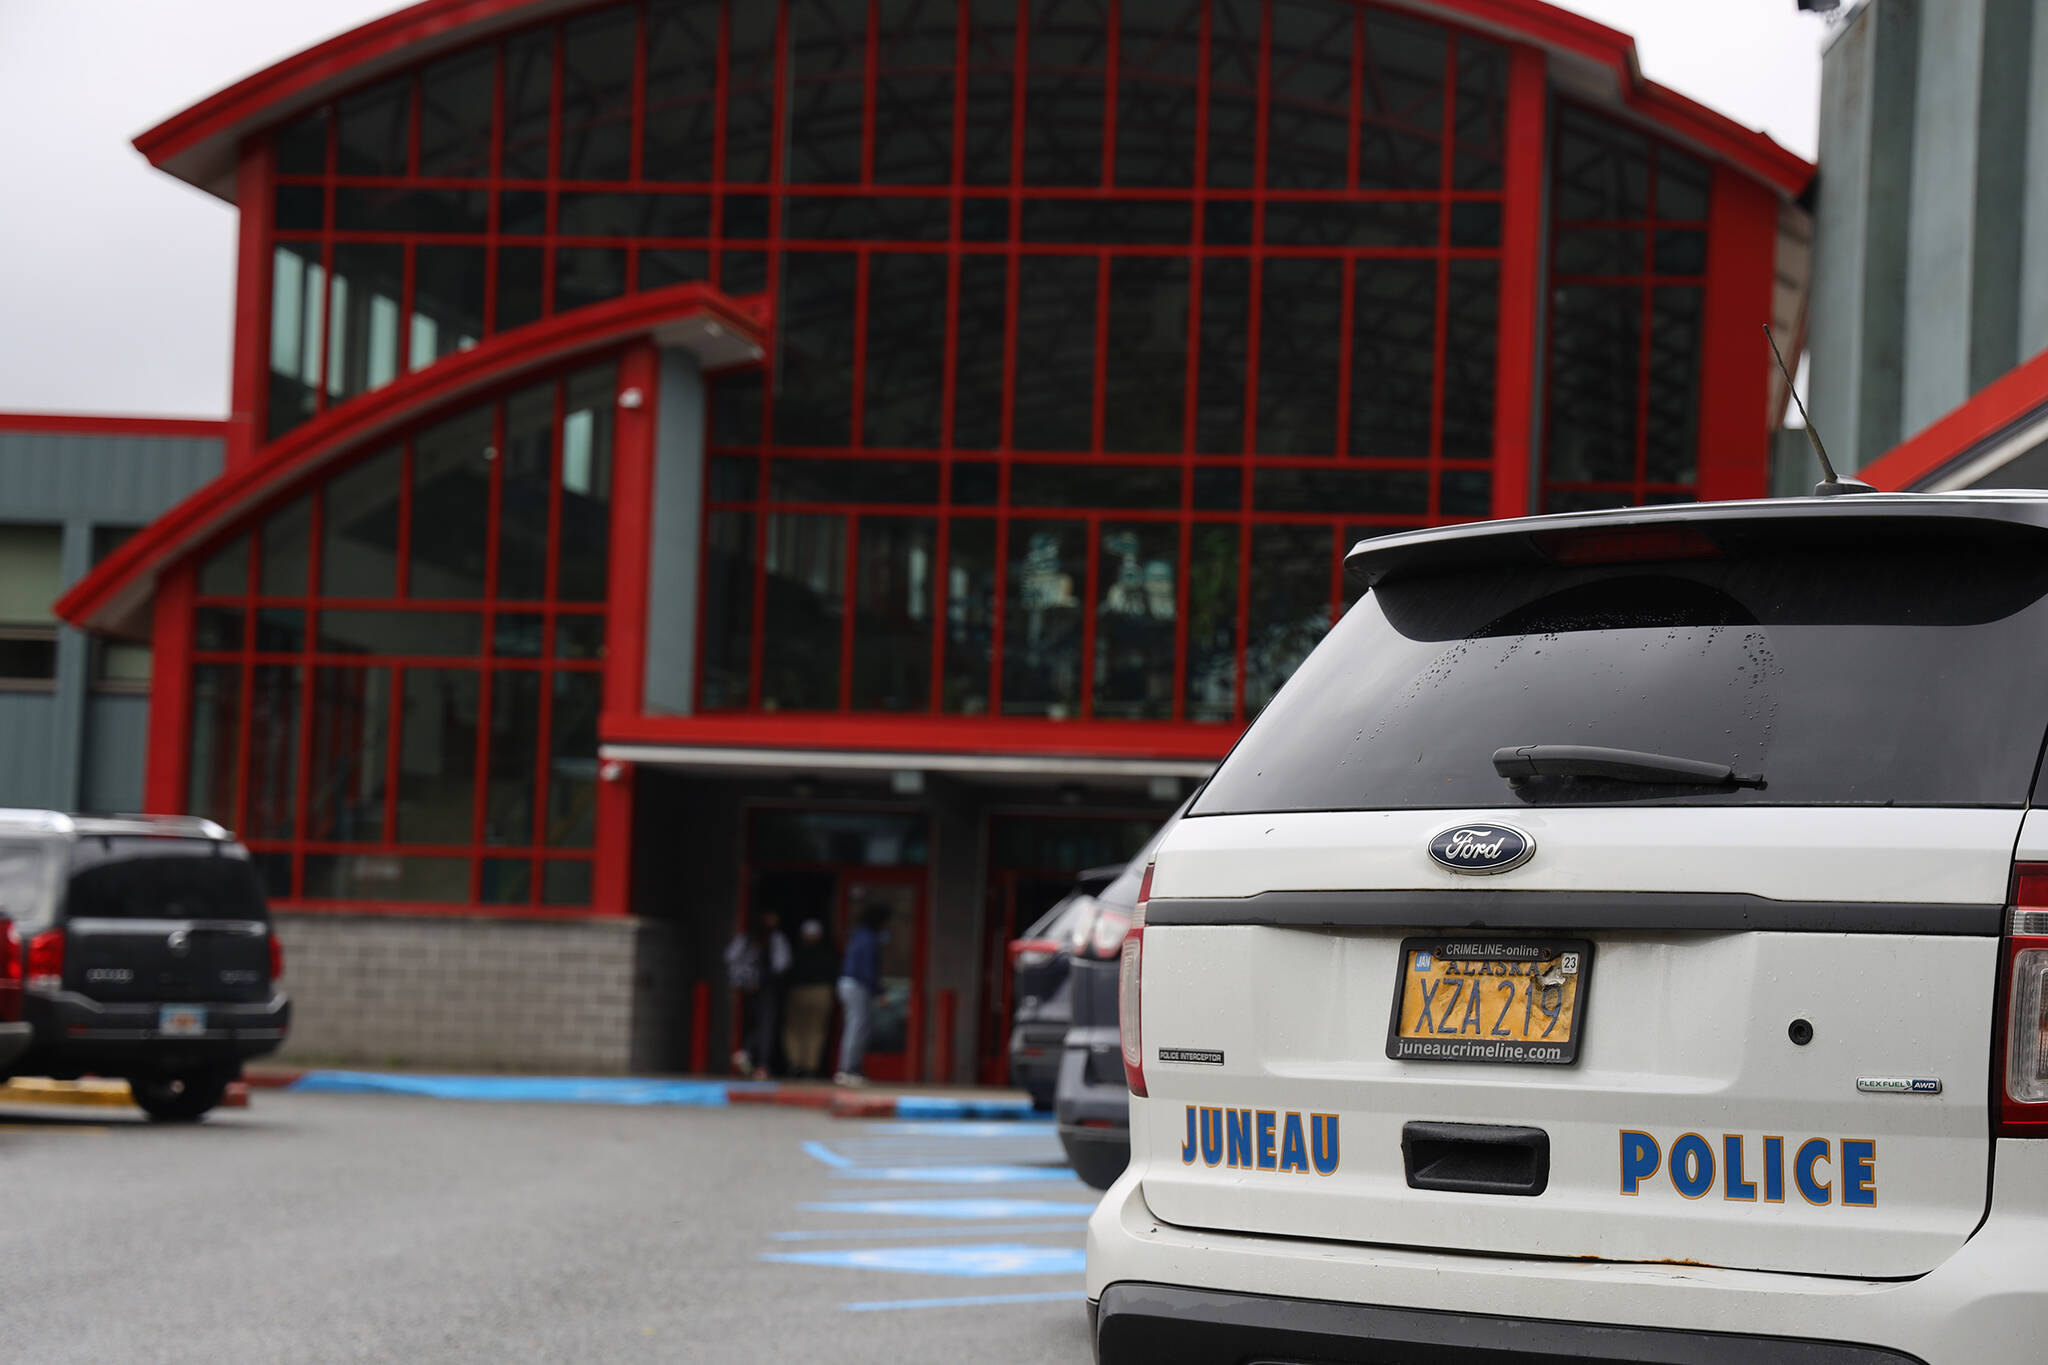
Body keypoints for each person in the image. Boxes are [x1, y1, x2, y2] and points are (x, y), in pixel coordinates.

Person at [723, 910, 790, 1081]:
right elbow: (782, 964)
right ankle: (761, 1063)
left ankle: (747, 1052)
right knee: (766, 1024)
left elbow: (729, 957)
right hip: (766, 988)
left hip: (747, 988)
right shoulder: (776, 938)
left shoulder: (745, 938)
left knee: (752, 1022)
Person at [834, 903, 890, 1087]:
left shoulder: (859, 934)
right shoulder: (868, 938)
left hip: (850, 983)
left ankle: (852, 1067)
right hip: (856, 984)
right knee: (857, 1026)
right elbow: (867, 969)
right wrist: (878, 992)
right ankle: (847, 1069)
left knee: (858, 1025)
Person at [781, 917, 839, 1079]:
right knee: (813, 1031)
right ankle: (809, 1067)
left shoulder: (797, 951)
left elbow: (785, 971)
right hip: (819, 992)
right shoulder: (828, 951)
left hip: (800, 991)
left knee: (797, 1030)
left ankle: (796, 1065)